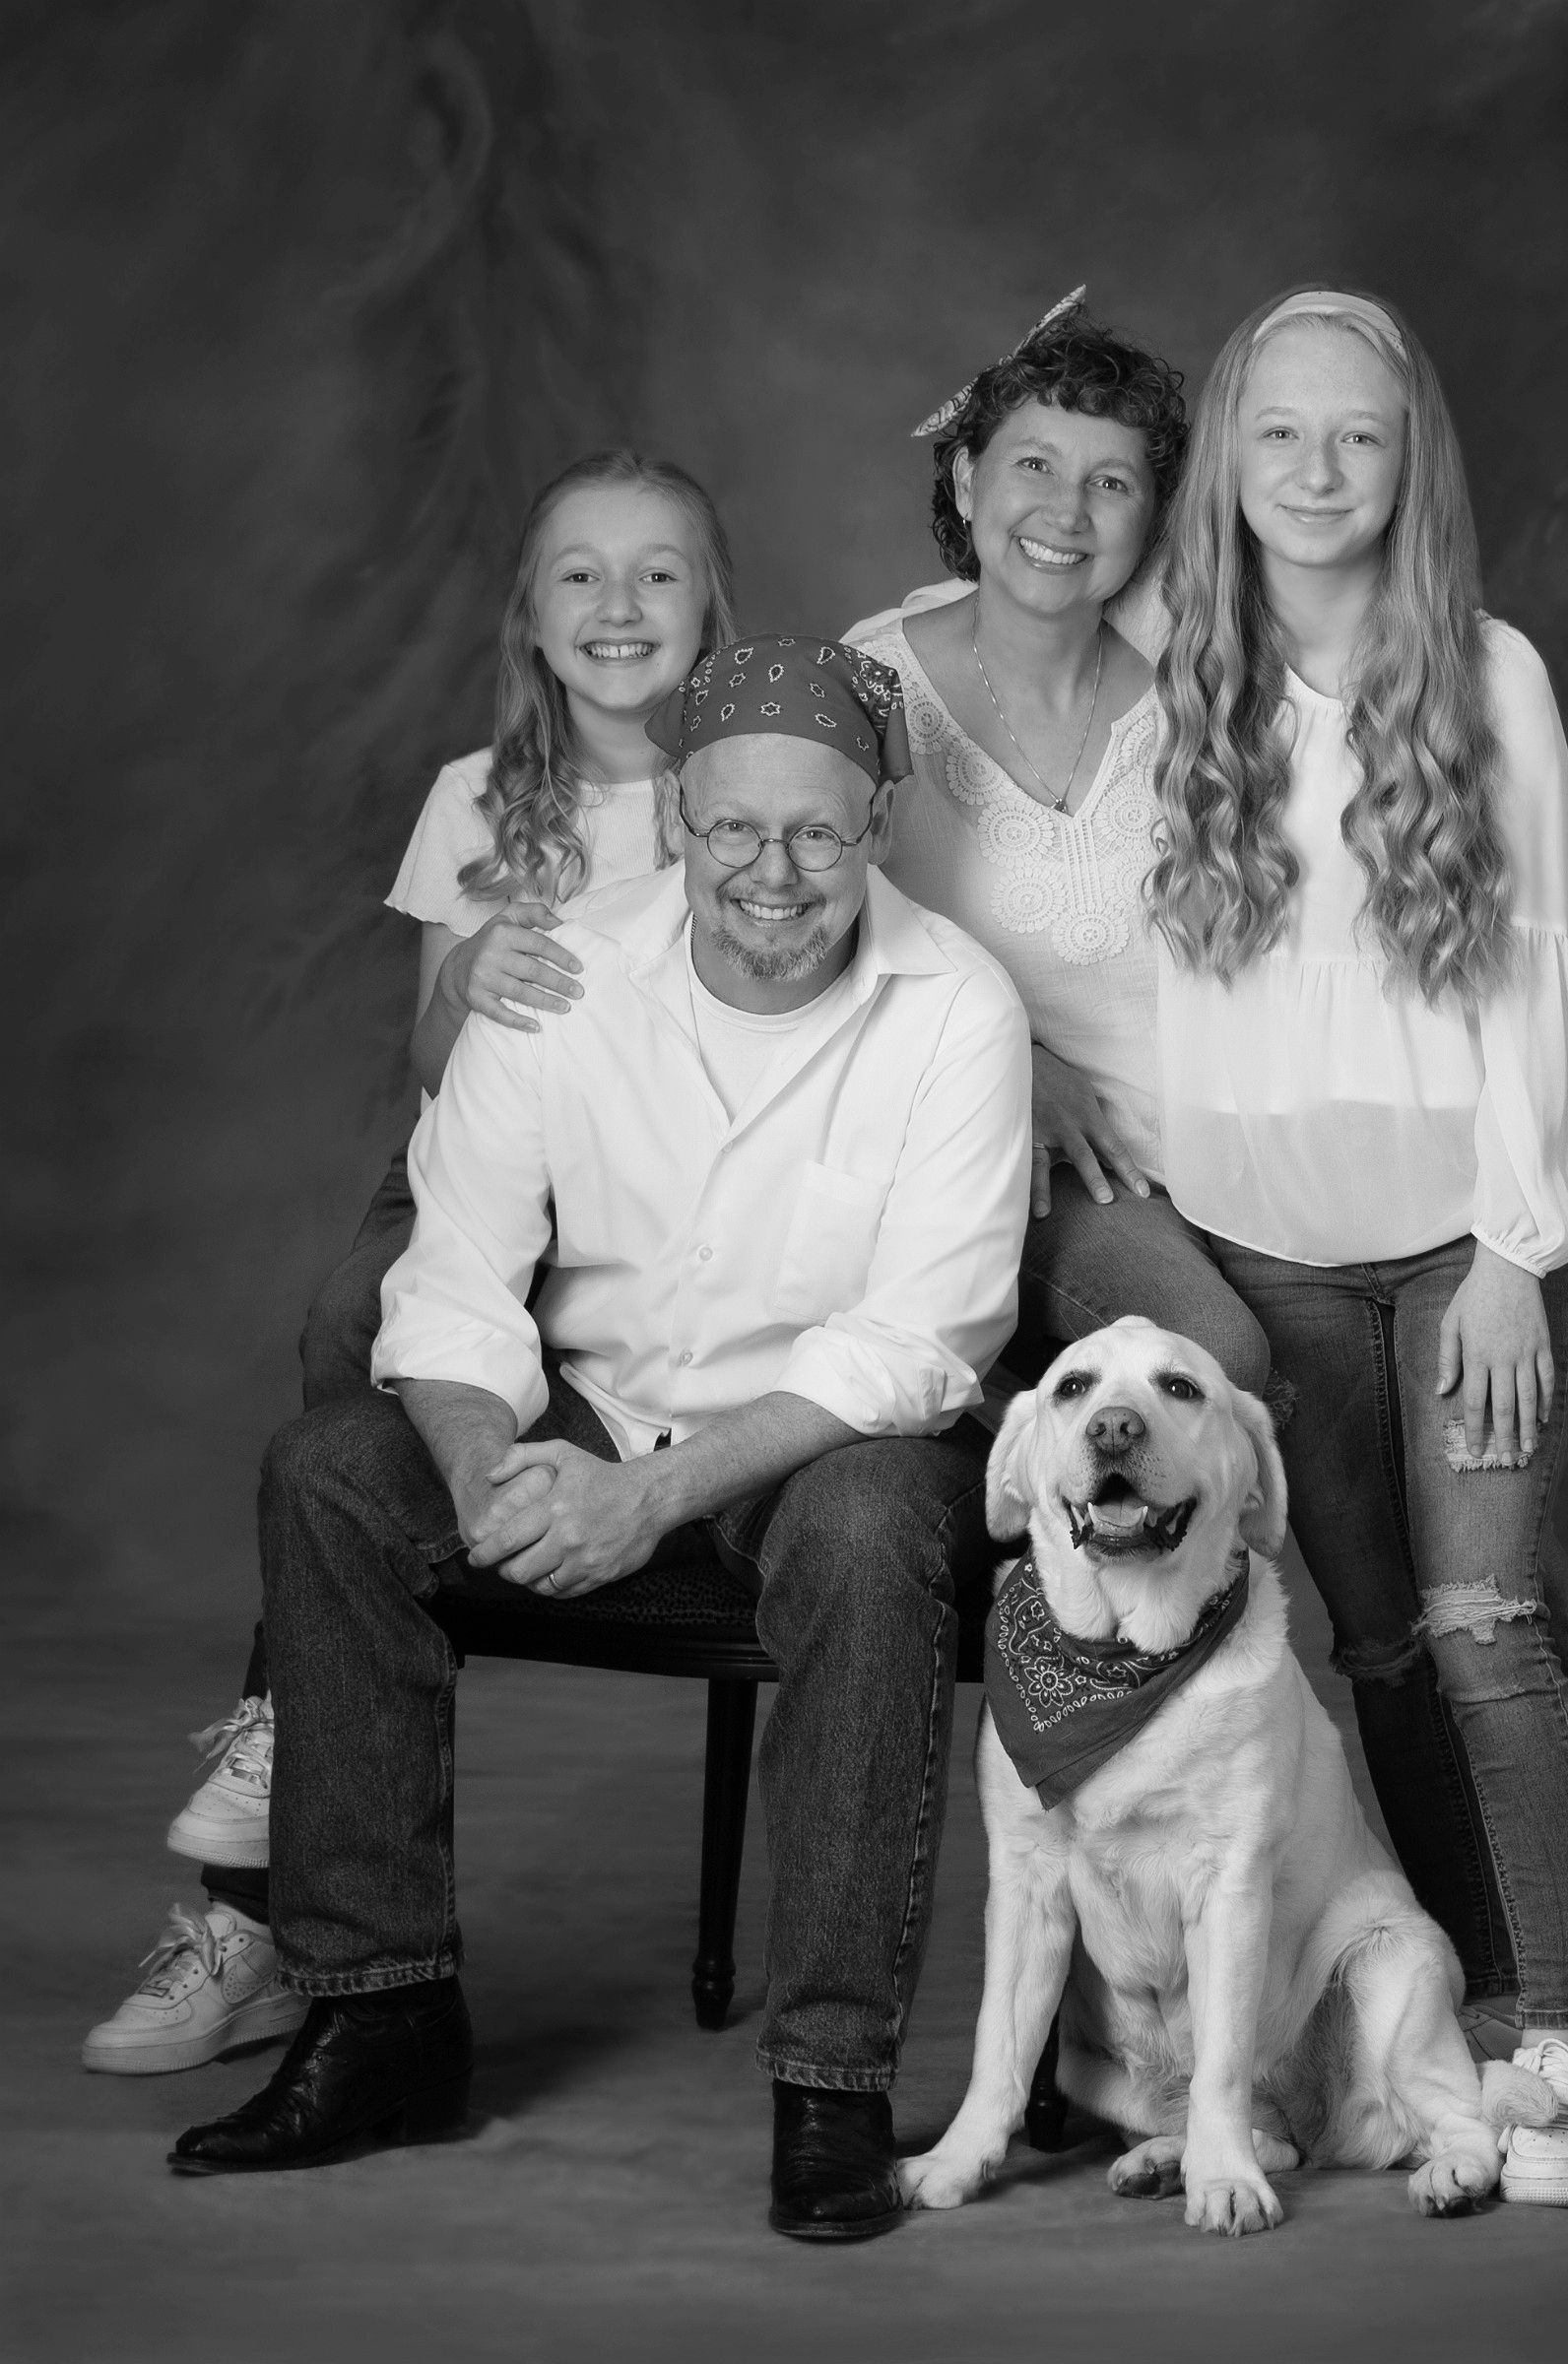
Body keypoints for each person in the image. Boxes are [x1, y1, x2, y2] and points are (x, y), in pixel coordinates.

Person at [165, 636, 1031, 2243]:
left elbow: (921, 1342)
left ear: (877, 829)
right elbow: (451, 1280)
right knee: (331, 1476)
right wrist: (489, 1472)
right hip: (584, 1406)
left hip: (814, 1442)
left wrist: (649, 1498)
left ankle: (831, 2082)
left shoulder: (957, 1012)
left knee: (869, 1528)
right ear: (675, 823)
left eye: (817, 833)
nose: (772, 873)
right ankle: (380, 2019)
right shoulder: (560, 975)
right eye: (732, 829)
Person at [1146, 287, 1568, 2205]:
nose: (1315, 470)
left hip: (1454, 1247)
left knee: (1482, 1626)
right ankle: (1539, 1990)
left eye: (1357, 434)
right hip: (1259, 1252)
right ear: (1223, 465)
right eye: (1276, 434)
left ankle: (1559, 2048)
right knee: (1385, 1649)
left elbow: (1528, 979)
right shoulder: (1168, 667)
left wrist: (1516, 1247)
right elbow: (967, 674)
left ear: (1410, 458)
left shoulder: (1484, 674)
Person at [83, 450, 737, 2077]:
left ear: (711, 607)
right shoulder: (482, 795)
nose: (618, 605)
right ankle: (284, 1759)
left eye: (657, 573)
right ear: (530, 614)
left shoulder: (745, 777)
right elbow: (435, 1061)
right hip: (481, 1168)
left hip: (659, 1198)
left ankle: (318, 1771)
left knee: (431, 1390)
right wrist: (473, 981)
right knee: (346, 1323)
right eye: (579, 574)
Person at [846, 293, 1272, 1404]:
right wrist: (1007, 1062)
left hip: (1242, 1155)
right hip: (1038, 1167)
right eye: (1033, 465)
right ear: (965, 481)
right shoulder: (868, 685)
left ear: (1150, 521)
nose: (1066, 512)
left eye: (1111, 483)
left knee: (1374, 1418)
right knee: (1206, 1363)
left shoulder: (1198, 695)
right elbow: (812, 953)